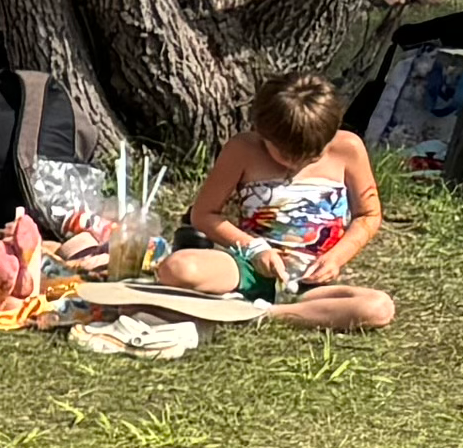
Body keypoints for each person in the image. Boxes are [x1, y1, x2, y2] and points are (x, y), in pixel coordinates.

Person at [154, 67, 396, 328]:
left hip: (310, 279)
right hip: (248, 268)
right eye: (285, 155)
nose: (296, 163)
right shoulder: (243, 150)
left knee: (378, 308)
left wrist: (336, 258)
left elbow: (368, 215)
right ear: (262, 132)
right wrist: (254, 248)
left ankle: (261, 312)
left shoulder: (348, 148)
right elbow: (204, 214)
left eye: (312, 156)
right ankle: (293, 310)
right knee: (177, 268)